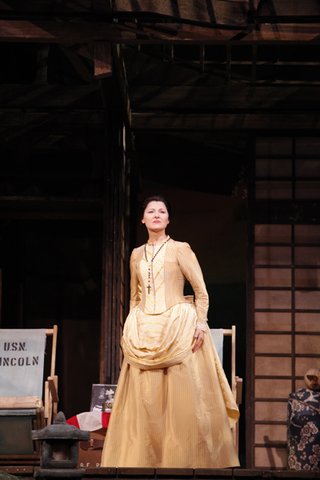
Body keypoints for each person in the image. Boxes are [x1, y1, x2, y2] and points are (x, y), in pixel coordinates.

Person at [101, 194, 240, 468]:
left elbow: (200, 291)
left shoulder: (180, 249)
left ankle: (184, 461)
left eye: (161, 211)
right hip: (144, 330)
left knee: (182, 401)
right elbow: (135, 295)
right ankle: (143, 460)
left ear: (168, 218)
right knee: (146, 401)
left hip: (178, 327)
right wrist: (131, 326)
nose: (156, 215)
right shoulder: (136, 254)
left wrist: (200, 323)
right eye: (150, 211)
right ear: (142, 218)